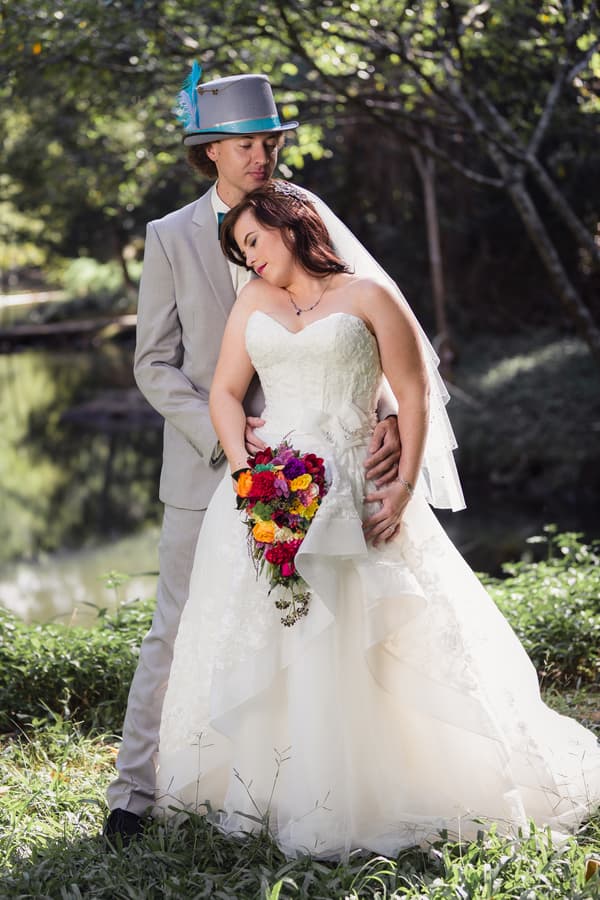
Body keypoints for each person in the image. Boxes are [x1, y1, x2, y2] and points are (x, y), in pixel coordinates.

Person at [154, 181, 600, 860]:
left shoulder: (368, 296)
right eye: (239, 249)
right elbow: (223, 391)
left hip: (359, 483)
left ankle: (387, 784)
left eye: (253, 240)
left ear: (290, 224)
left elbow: (414, 396)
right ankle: (276, 789)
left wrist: (401, 489)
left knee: (374, 630)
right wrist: (249, 470)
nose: (249, 259)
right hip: (275, 489)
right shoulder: (254, 302)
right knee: (279, 633)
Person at [104, 68, 405, 843]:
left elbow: (360, 323)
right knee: (178, 627)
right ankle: (133, 794)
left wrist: (390, 410)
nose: (262, 156)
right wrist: (228, 442)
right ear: (211, 152)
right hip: (207, 468)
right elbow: (153, 363)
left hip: (328, 466)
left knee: (328, 626)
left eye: (270, 140)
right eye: (247, 144)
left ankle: (298, 788)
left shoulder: (306, 216)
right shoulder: (169, 237)